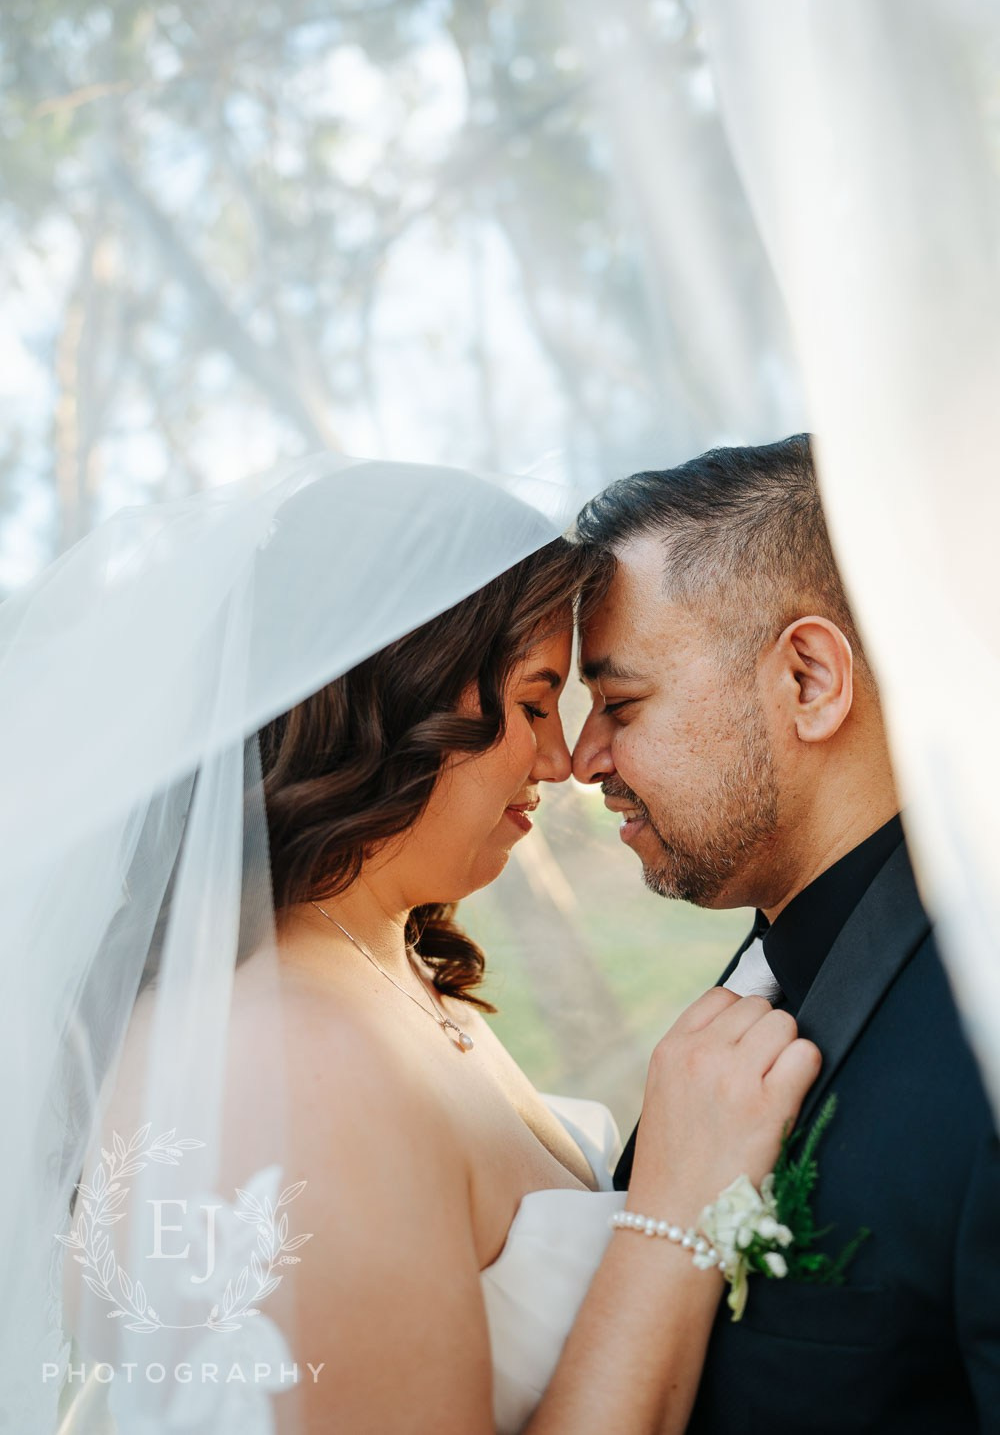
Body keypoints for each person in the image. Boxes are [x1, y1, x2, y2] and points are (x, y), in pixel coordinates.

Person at [4, 454, 818, 1435]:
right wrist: (675, 1211)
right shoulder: (282, 1063)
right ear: (389, 703)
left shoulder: (387, 971)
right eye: (529, 704)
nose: (561, 762)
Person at [571, 433, 1000, 1434]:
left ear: (808, 679)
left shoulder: (981, 1038)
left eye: (620, 701)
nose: (582, 757)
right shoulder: (751, 982)